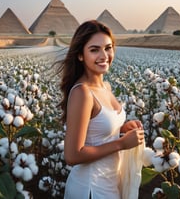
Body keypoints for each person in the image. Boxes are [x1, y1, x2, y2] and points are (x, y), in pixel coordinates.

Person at [58, 20, 145, 199]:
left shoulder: (106, 87)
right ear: (80, 55)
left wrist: (121, 129)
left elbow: (96, 132)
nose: (104, 55)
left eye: (108, 47)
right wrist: (121, 143)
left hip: (110, 183)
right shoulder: (83, 92)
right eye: (94, 49)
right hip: (90, 188)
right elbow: (72, 155)